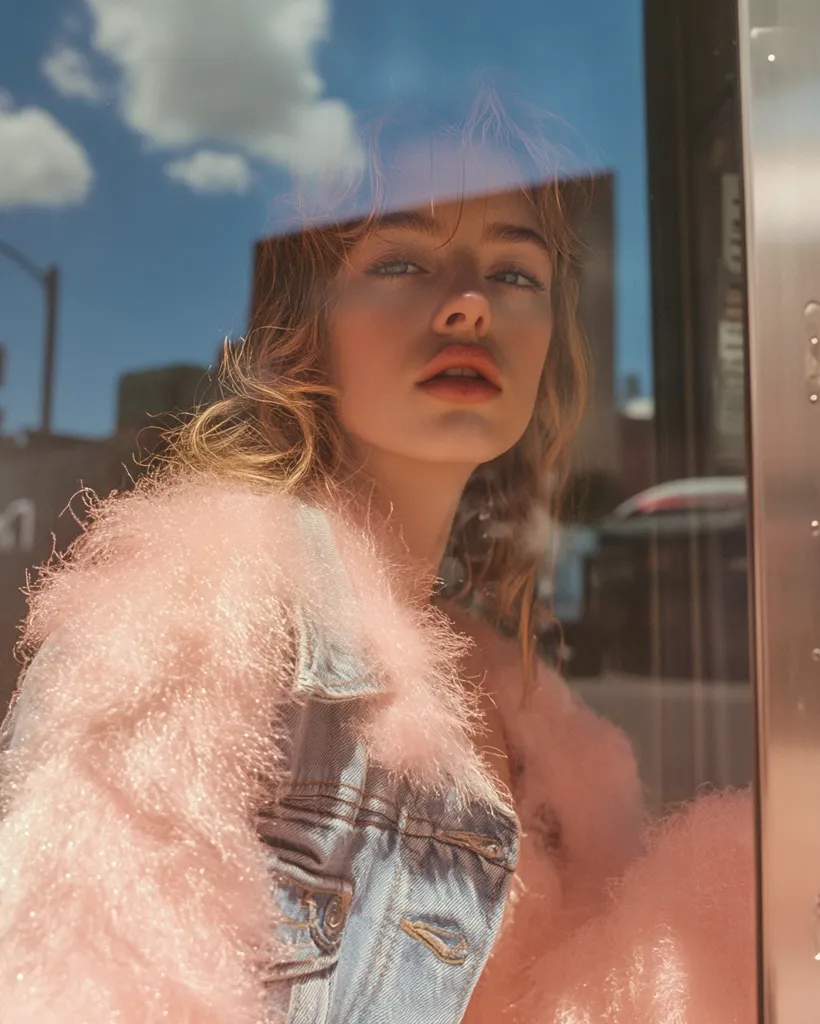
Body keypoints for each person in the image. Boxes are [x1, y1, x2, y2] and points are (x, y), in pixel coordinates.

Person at [0, 97, 753, 1023]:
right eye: (399, 260)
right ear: (303, 329)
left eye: (516, 272)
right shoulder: (189, 625)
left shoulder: (540, 732)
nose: (471, 301)